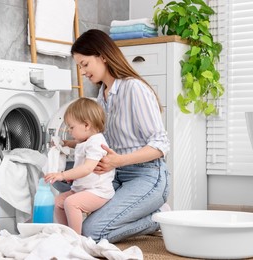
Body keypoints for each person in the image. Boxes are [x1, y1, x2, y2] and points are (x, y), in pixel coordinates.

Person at [69, 29, 171, 243]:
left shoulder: (134, 88)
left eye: (85, 64)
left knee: (92, 232)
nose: (83, 72)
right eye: (80, 67)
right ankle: (144, 214)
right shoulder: (102, 96)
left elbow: (160, 145)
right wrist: (69, 144)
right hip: (116, 176)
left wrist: (119, 160)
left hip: (147, 176)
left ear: (103, 56)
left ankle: (160, 217)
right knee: (72, 198)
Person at [44, 97, 115, 235]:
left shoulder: (96, 142)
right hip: (84, 188)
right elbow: (79, 146)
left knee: (71, 203)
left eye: (71, 127)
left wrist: (63, 175)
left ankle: (75, 238)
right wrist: (66, 143)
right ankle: (66, 233)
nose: (69, 131)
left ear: (86, 125)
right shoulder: (87, 140)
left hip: (98, 191)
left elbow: (87, 168)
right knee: (59, 201)